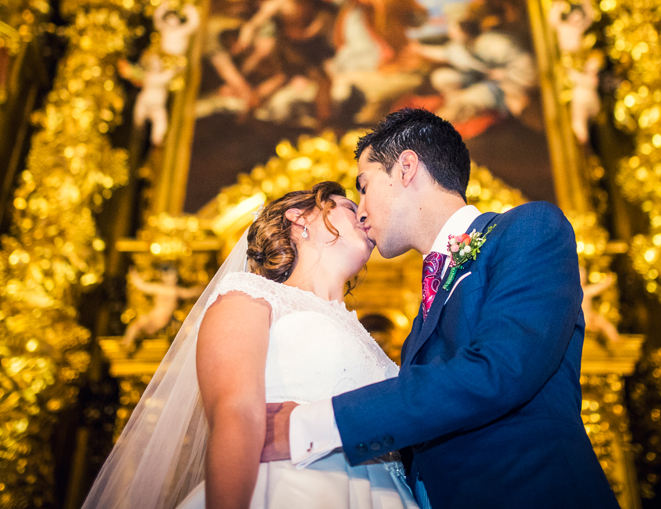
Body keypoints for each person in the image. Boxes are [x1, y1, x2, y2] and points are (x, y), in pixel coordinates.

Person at [263, 108, 618, 509]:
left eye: (364, 186)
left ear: (406, 168)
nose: (360, 210)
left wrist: (313, 424)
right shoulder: (422, 315)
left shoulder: (529, 229)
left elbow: (500, 369)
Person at [80, 181, 417, 509]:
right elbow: (235, 414)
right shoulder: (251, 296)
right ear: (300, 219)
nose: (364, 218)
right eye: (348, 207)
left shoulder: (364, 335)